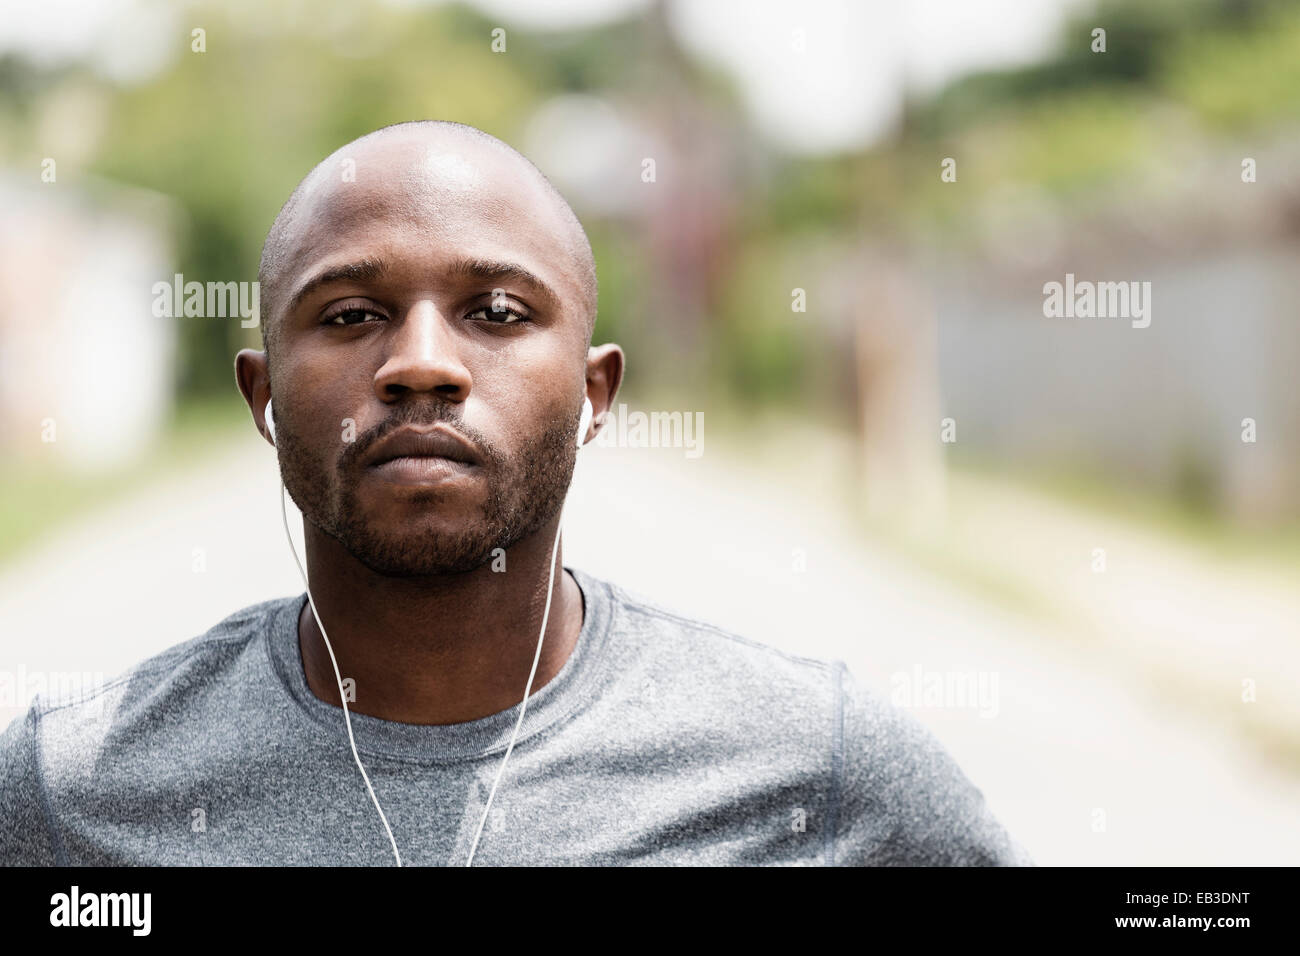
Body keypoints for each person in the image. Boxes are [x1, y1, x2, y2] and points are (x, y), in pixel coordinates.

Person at [0, 121, 1031, 866]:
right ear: (263, 395)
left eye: (494, 311)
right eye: (353, 313)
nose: (419, 364)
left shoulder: (817, 769)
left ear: (595, 394)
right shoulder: (71, 788)